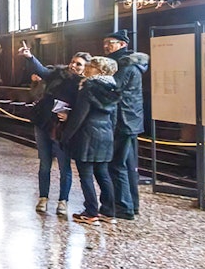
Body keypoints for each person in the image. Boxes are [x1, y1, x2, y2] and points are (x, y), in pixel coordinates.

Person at [18, 45, 87, 216]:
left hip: (63, 127)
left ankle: (63, 201)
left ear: (85, 68)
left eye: (79, 64)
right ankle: (43, 197)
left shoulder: (85, 85)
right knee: (44, 163)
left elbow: (84, 108)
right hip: (44, 121)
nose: (74, 66)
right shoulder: (59, 74)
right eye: (73, 62)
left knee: (64, 166)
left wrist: (69, 115)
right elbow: (42, 71)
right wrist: (29, 57)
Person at [60, 56, 120, 225]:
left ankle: (91, 211)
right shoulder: (113, 88)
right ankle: (109, 212)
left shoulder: (88, 87)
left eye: (91, 66)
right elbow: (114, 118)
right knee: (103, 174)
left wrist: (66, 136)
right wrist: (110, 135)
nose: (87, 67)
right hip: (105, 134)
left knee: (85, 174)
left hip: (87, 135)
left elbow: (80, 115)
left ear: (100, 71)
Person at [103, 29, 149, 220]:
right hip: (132, 119)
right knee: (128, 166)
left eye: (110, 42)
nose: (106, 46)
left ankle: (123, 208)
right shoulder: (133, 64)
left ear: (122, 44)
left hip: (122, 120)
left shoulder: (124, 65)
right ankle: (132, 204)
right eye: (105, 42)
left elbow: (113, 87)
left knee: (116, 165)